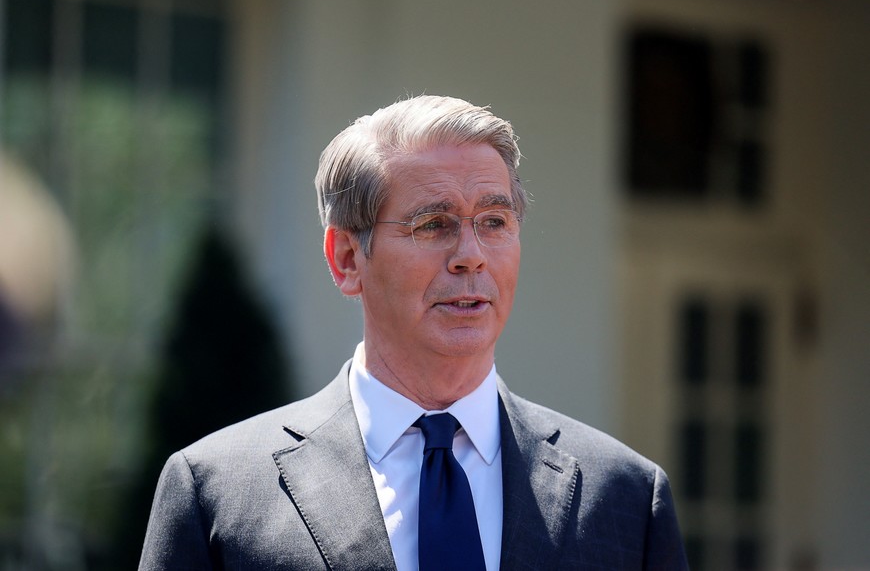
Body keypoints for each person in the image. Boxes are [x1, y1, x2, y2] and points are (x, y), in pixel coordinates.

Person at [139, 95, 688, 570]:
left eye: (494, 222)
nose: (471, 256)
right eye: (434, 225)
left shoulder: (626, 498)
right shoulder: (218, 490)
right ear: (347, 258)